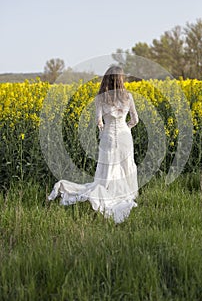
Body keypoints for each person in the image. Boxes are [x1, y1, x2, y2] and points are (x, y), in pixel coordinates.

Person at [48, 65, 139, 223]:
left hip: (109, 137)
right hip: (125, 137)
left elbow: (99, 122)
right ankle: (128, 193)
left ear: (106, 80)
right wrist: (126, 128)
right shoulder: (128, 97)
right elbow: (135, 120)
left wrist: (104, 132)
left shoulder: (101, 98)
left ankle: (106, 191)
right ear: (121, 79)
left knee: (108, 166)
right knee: (126, 165)